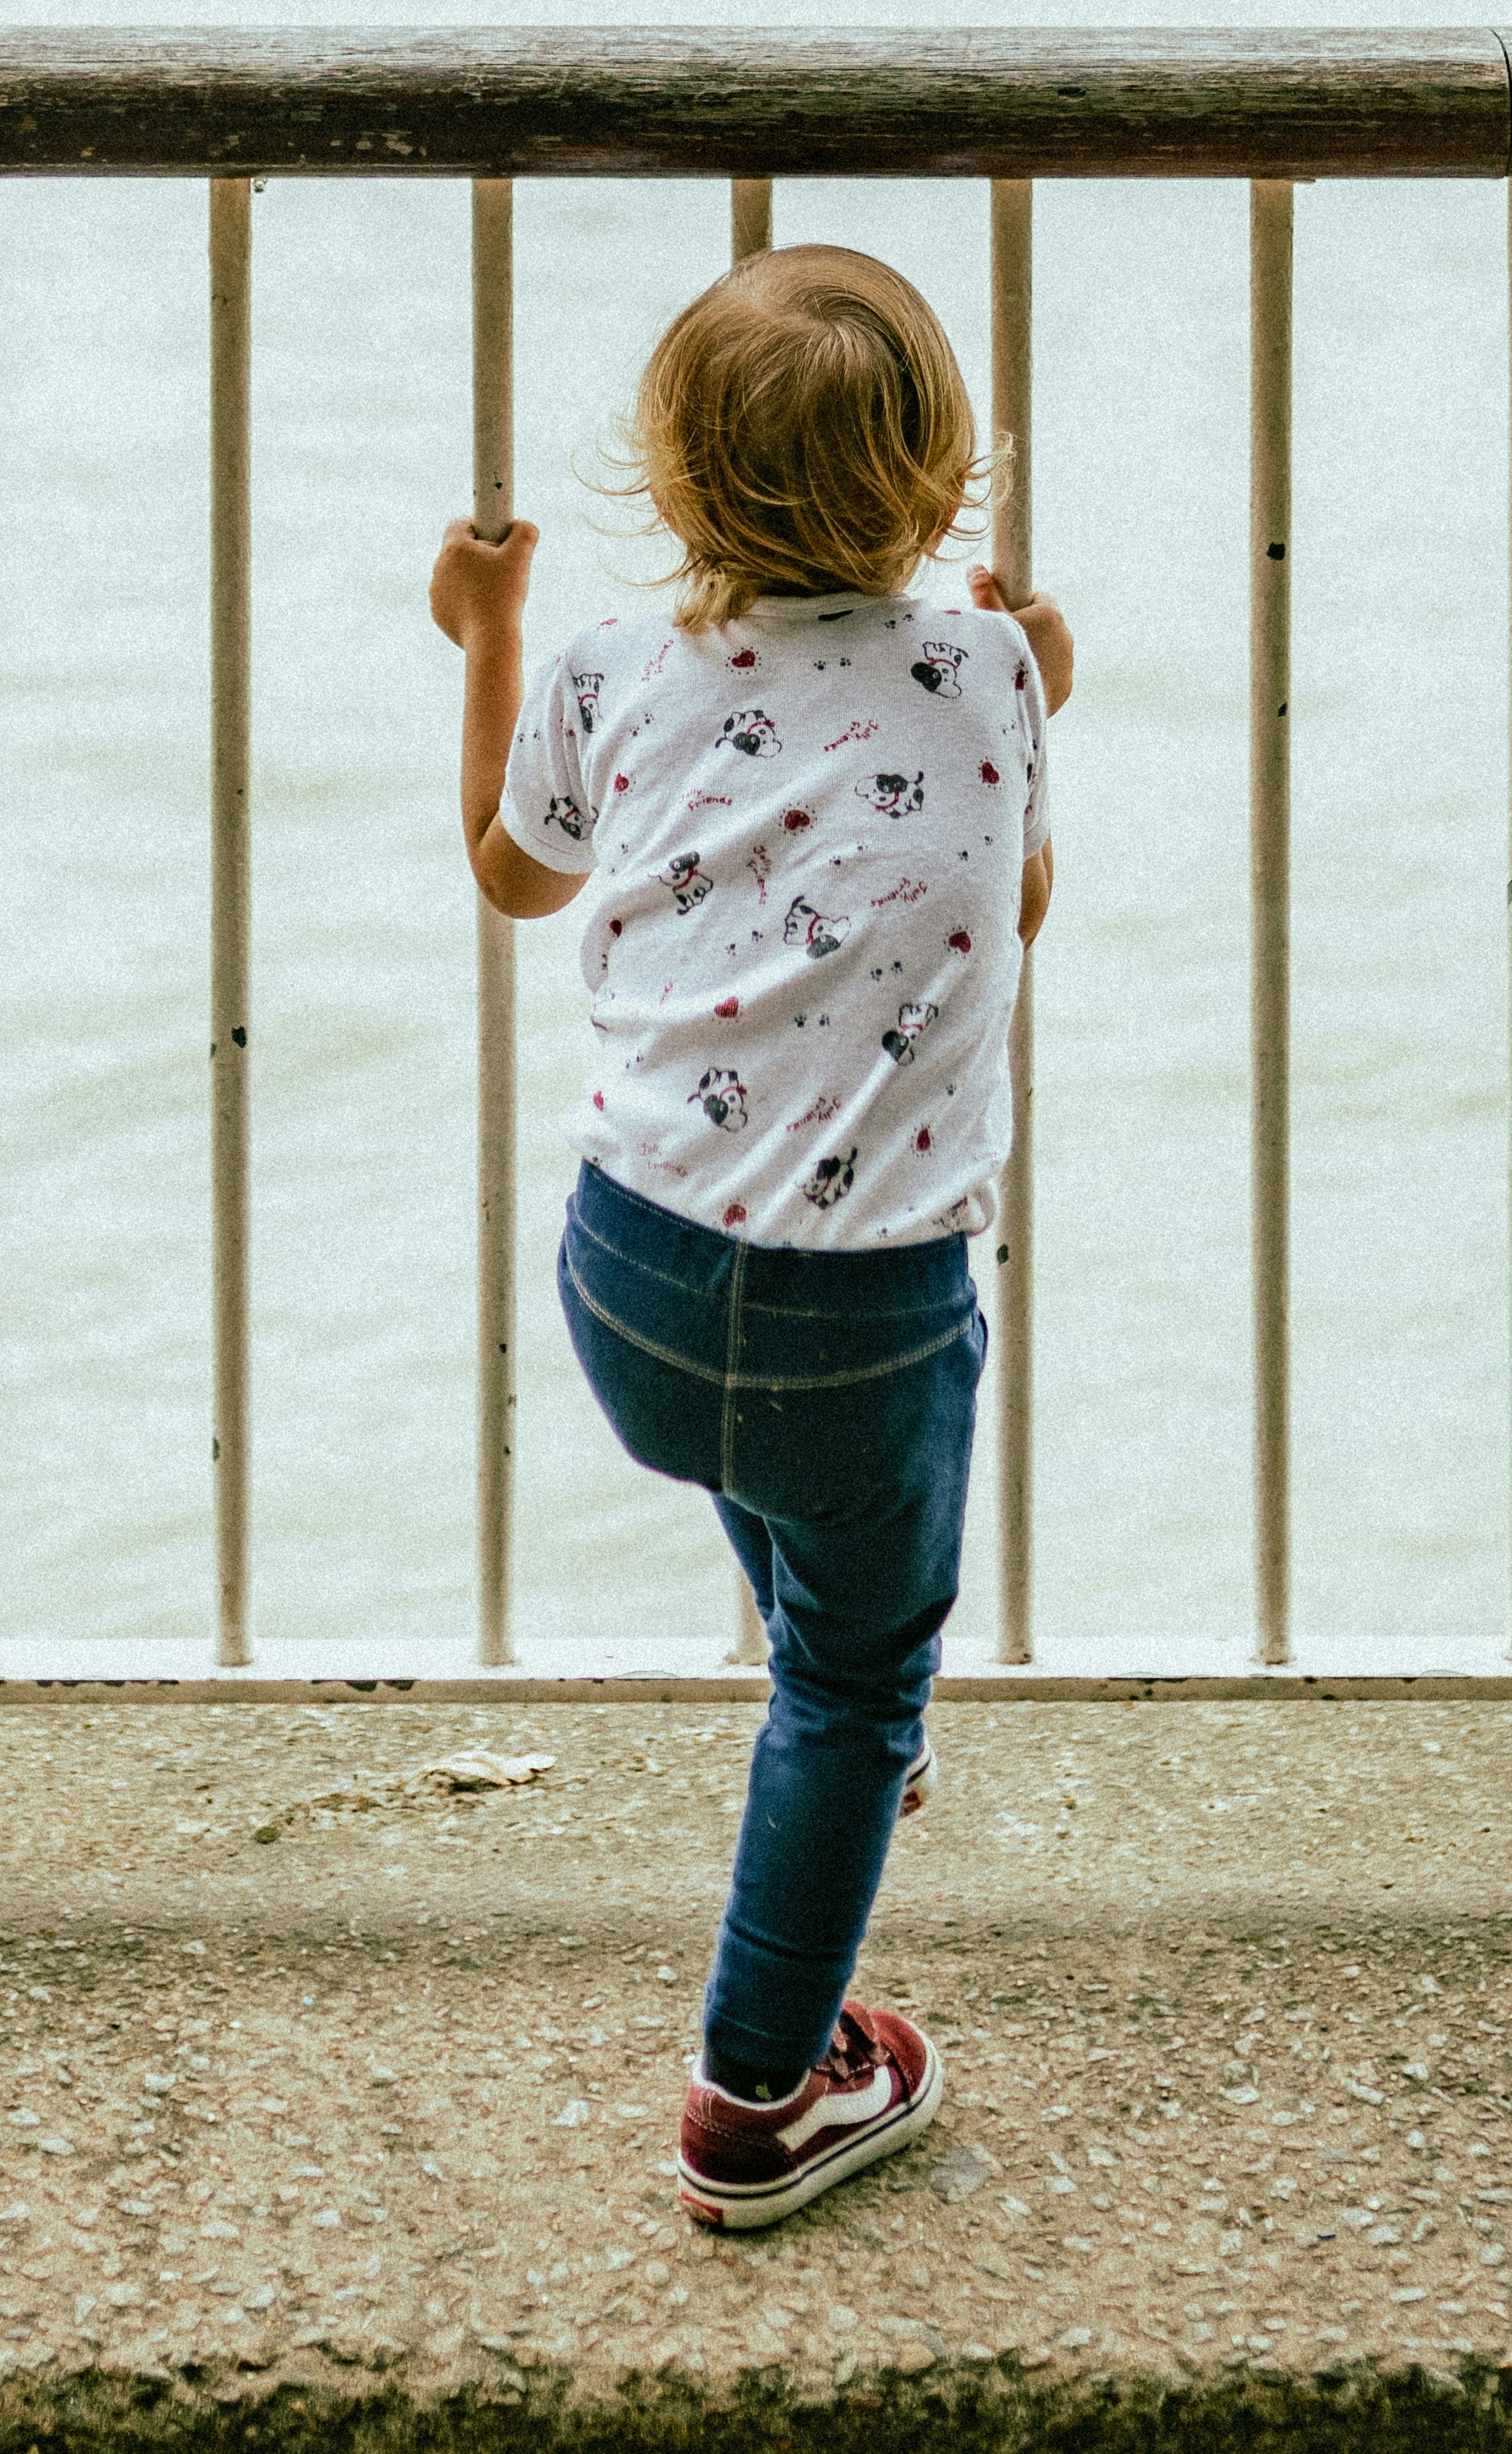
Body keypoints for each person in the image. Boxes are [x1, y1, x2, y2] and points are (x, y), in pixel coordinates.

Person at [429, 241, 1071, 2232]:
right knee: (865, 1674)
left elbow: (510, 877)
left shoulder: (613, 670)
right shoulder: (990, 672)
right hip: (867, 1314)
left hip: (630, 1277)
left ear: (678, 486)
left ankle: (839, 1751)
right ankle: (760, 2099)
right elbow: (1017, 903)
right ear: (942, 485)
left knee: (784, 1515)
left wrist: (489, 626)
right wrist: (1041, 672)